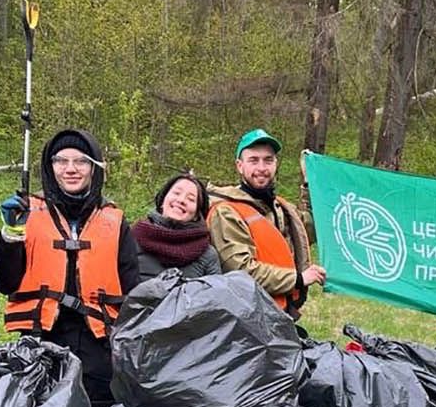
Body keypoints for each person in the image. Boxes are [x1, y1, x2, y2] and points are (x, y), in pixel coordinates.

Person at [0, 128, 140, 407]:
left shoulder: (115, 220)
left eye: (81, 161)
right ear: (50, 167)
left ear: (94, 168)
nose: (70, 169)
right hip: (41, 341)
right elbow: (6, 281)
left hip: (98, 345)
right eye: (61, 161)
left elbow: (132, 289)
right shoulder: (27, 214)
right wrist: (11, 235)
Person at [207, 128, 324, 317]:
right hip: (246, 319)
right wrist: (299, 279)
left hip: (279, 313)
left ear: (276, 164)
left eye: (268, 160)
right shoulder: (226, 211)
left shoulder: (279, 206)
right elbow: (241, 272)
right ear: (239, 165)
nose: (261, 167)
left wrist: (310, 183)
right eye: (253, 160)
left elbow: (311, 226)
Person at [133, 172, 222, 282]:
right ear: (162, 200)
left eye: (191, 199)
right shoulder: (133, 238)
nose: (181, 200)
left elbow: (216, 295)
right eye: (176, 193)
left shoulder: (207, 254)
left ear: (196, 215)